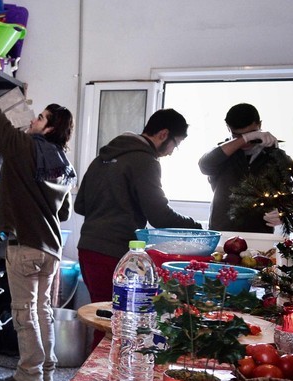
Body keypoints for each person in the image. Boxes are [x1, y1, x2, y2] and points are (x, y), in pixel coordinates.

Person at [0, 53, 76, 381]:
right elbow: (64, 213)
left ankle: (28, 377)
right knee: (42, 313)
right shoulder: (64, 164)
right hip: (52, 248)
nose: (34, 120)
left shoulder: (22, 147)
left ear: (49, 127)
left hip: (25, 246)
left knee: (24, 314)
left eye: (40, 117)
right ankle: (46, 372)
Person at [74, 109, 202, 310]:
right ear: (163, 134)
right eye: (175, 145)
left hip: (88, 248)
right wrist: (195, 227)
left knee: (102, 313)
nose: (171, 152)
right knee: (116, 318)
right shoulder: (145, 161)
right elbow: (159, 216)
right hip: (115, 252)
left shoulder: (102, 158)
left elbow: (79, 205)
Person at [198, 103, 293, 233]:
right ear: (228, 128)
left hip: (260, 234)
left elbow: (288, 195)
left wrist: (283, 212)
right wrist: (247, 137)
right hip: (222, 232)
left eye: (251, 133)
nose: (247, 142)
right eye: (238, 135)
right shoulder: (222, 154)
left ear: (260, 125)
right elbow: (205, 165)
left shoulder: (276, 157)